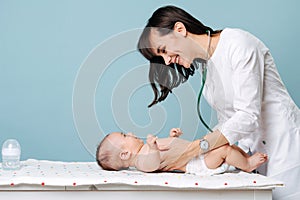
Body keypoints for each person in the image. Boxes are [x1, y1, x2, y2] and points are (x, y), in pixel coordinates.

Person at [137, 5, 300, 200]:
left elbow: (248, 116)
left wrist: (194, 149)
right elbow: (228, 123)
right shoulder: (206, 67)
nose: (167, 61)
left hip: (286, 150)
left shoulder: (238, 44)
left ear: (180, 30)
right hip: (253, 156)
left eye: (163, 50)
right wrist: (200, 157)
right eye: (160, 57)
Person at [96, 128, 267, 175]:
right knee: (224, 149)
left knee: (221, 141)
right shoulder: (141, 161)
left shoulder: (145, 148)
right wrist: (154, 148)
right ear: (125, 154)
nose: (131, 134)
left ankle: (244, 156)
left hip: (198, 154)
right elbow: (152, 164)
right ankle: (247, 164)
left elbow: (170, 148)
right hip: (197, 164)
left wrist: (172, 136)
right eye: (125, 135)